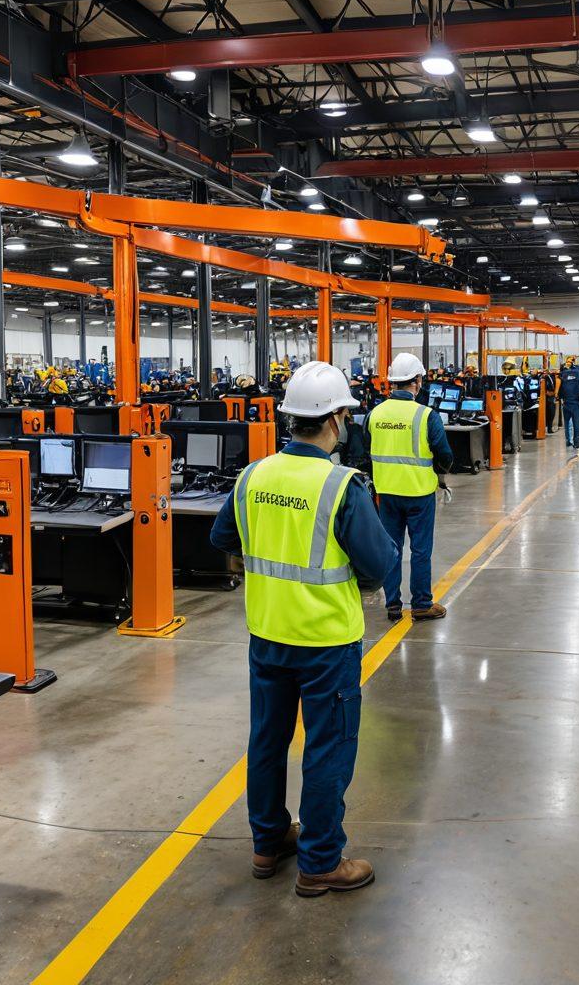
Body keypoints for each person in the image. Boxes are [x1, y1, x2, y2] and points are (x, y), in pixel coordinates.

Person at [210, 361, 398, 897]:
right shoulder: (341, 486)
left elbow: (223, 539)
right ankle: (320, 861)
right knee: (327, 748)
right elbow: (381, 565)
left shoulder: (252, 476)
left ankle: (268, 842)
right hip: (325, 643)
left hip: (267, 634)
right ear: (336, 419)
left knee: (267, 741)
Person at [366, 353, 454, 622]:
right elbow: (445, 456)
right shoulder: (426, 416)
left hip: (387, 493)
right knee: (420, 550)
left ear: (393, 382)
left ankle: (393, 605)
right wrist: (439, 473)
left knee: (391, 549)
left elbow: (364, 452)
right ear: (417, 381)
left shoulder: (374, 414)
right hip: (419, 494)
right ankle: (421, 604)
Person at [558, 356, 579, 449]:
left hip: (566, 402)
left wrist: (559, 397)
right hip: (576, 402)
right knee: (576, 423)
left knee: (567, 423)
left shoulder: (562, 374)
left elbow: (559, 388)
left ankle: (568, 441)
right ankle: (576, 442)